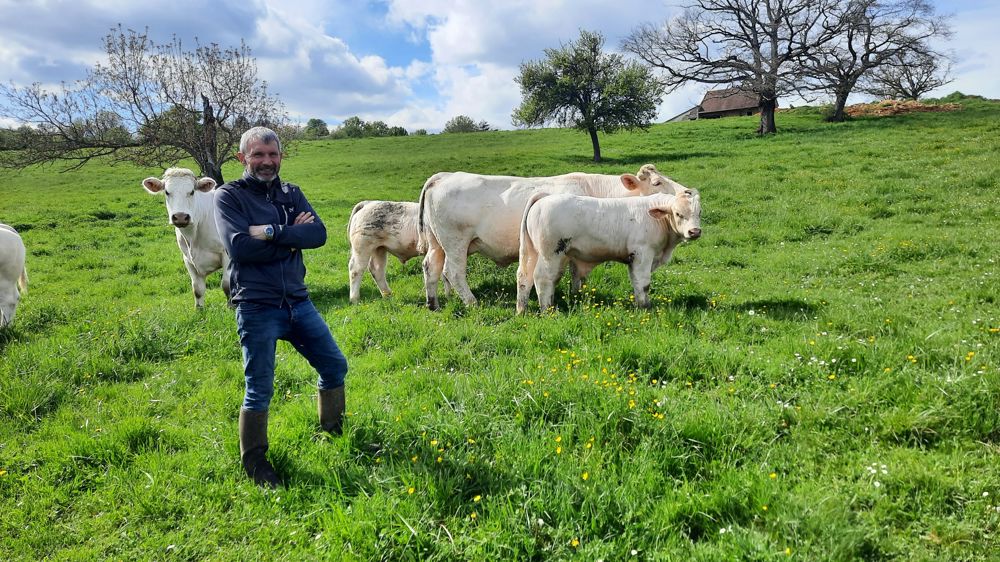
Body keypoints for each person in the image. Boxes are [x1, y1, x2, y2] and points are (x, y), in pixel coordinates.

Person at [214, 126, 348, 488]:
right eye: (258, 155)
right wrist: (291, 233)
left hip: (298, 302)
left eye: (272, 155)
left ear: (280, 157)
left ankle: (334, 432)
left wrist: (271, 231)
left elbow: (318, 234)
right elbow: (240, 248)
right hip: (257, 305)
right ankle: (256, 464)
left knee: (335, 365)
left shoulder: (292, 192)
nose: (266, 162)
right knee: (259, 387)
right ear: (242, 158)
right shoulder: (229, 196)